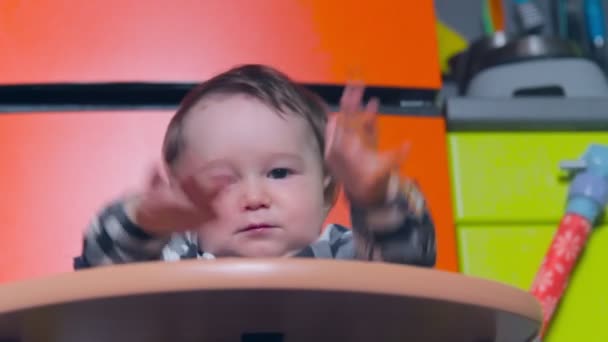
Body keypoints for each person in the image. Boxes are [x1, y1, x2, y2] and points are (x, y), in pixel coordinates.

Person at [74, 64, 436, 269]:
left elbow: (411, 264)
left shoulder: (345, 256)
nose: (254, 197)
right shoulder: (177, 261)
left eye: (279, 172)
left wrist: (376, 199)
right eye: (223, 182)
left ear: (325, 186)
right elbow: (100, 270)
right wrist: (145, 221)